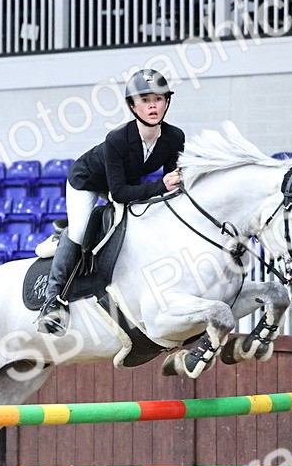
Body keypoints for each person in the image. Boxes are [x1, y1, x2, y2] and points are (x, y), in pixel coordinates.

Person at [36, 69, 185, 335]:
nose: (152, 105)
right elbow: (118, 194)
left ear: (167, 102)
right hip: (88, 181)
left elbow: (169, 185)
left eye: (159, 99)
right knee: (81, 231)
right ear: (132, 105)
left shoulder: (175, 137)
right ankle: (52, 301)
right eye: (145, 100)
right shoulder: (117, 139)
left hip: (125, 184)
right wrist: (160, 186)